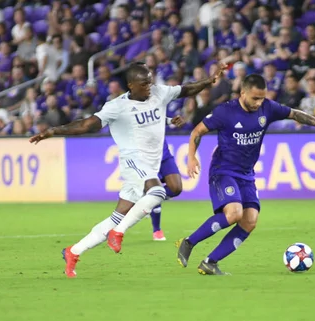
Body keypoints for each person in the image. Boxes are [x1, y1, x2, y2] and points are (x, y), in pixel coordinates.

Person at [29, 62, 228, 278]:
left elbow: (186, 89)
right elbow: (87, 125)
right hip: (134, 160)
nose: (149, 86)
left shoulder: (159, 93)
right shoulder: (117, 106)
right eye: (144, 84)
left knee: (121, 214)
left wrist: (208, 81)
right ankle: (120, 232)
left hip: (155, 159)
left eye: (150, 81)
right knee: (158, 192)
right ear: (131, 85)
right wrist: (53, 131)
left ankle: (73, 252)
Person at [176, 74, 315, 275]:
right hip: (223, 171)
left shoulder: (267, 108)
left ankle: (210, 262)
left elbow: (294, 114)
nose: (259, 102)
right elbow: (197, 132)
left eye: (262, 98)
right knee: (234, 213)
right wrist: (191, 157)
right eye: (255, 98)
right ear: (243, 93)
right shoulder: (225, 111)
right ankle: (188, 242)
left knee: (249, 221)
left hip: (246, 174)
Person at [149, 115, 186, 241]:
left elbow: (155, 117)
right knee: (156, 191)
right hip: (147, 158)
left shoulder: (154, 101)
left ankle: (146, 201)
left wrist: (170, 120)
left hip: (164, 155)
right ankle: (157, 230)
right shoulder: (131, 105)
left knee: (176, 188)